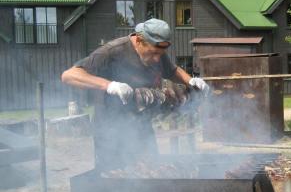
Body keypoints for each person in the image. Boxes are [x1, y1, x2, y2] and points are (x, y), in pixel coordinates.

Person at [61, 18, 209, 170]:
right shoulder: (112, 51)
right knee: (116, 176)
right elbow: (69, 75)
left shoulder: (157, 50)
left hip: (142, 124)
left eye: (161, 53)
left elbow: (172, 70)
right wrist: (109, 85)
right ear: (139, 40)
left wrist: (191, 81)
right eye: (153, 53)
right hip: (111, 129)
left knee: (151, 170)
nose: (157, 58)